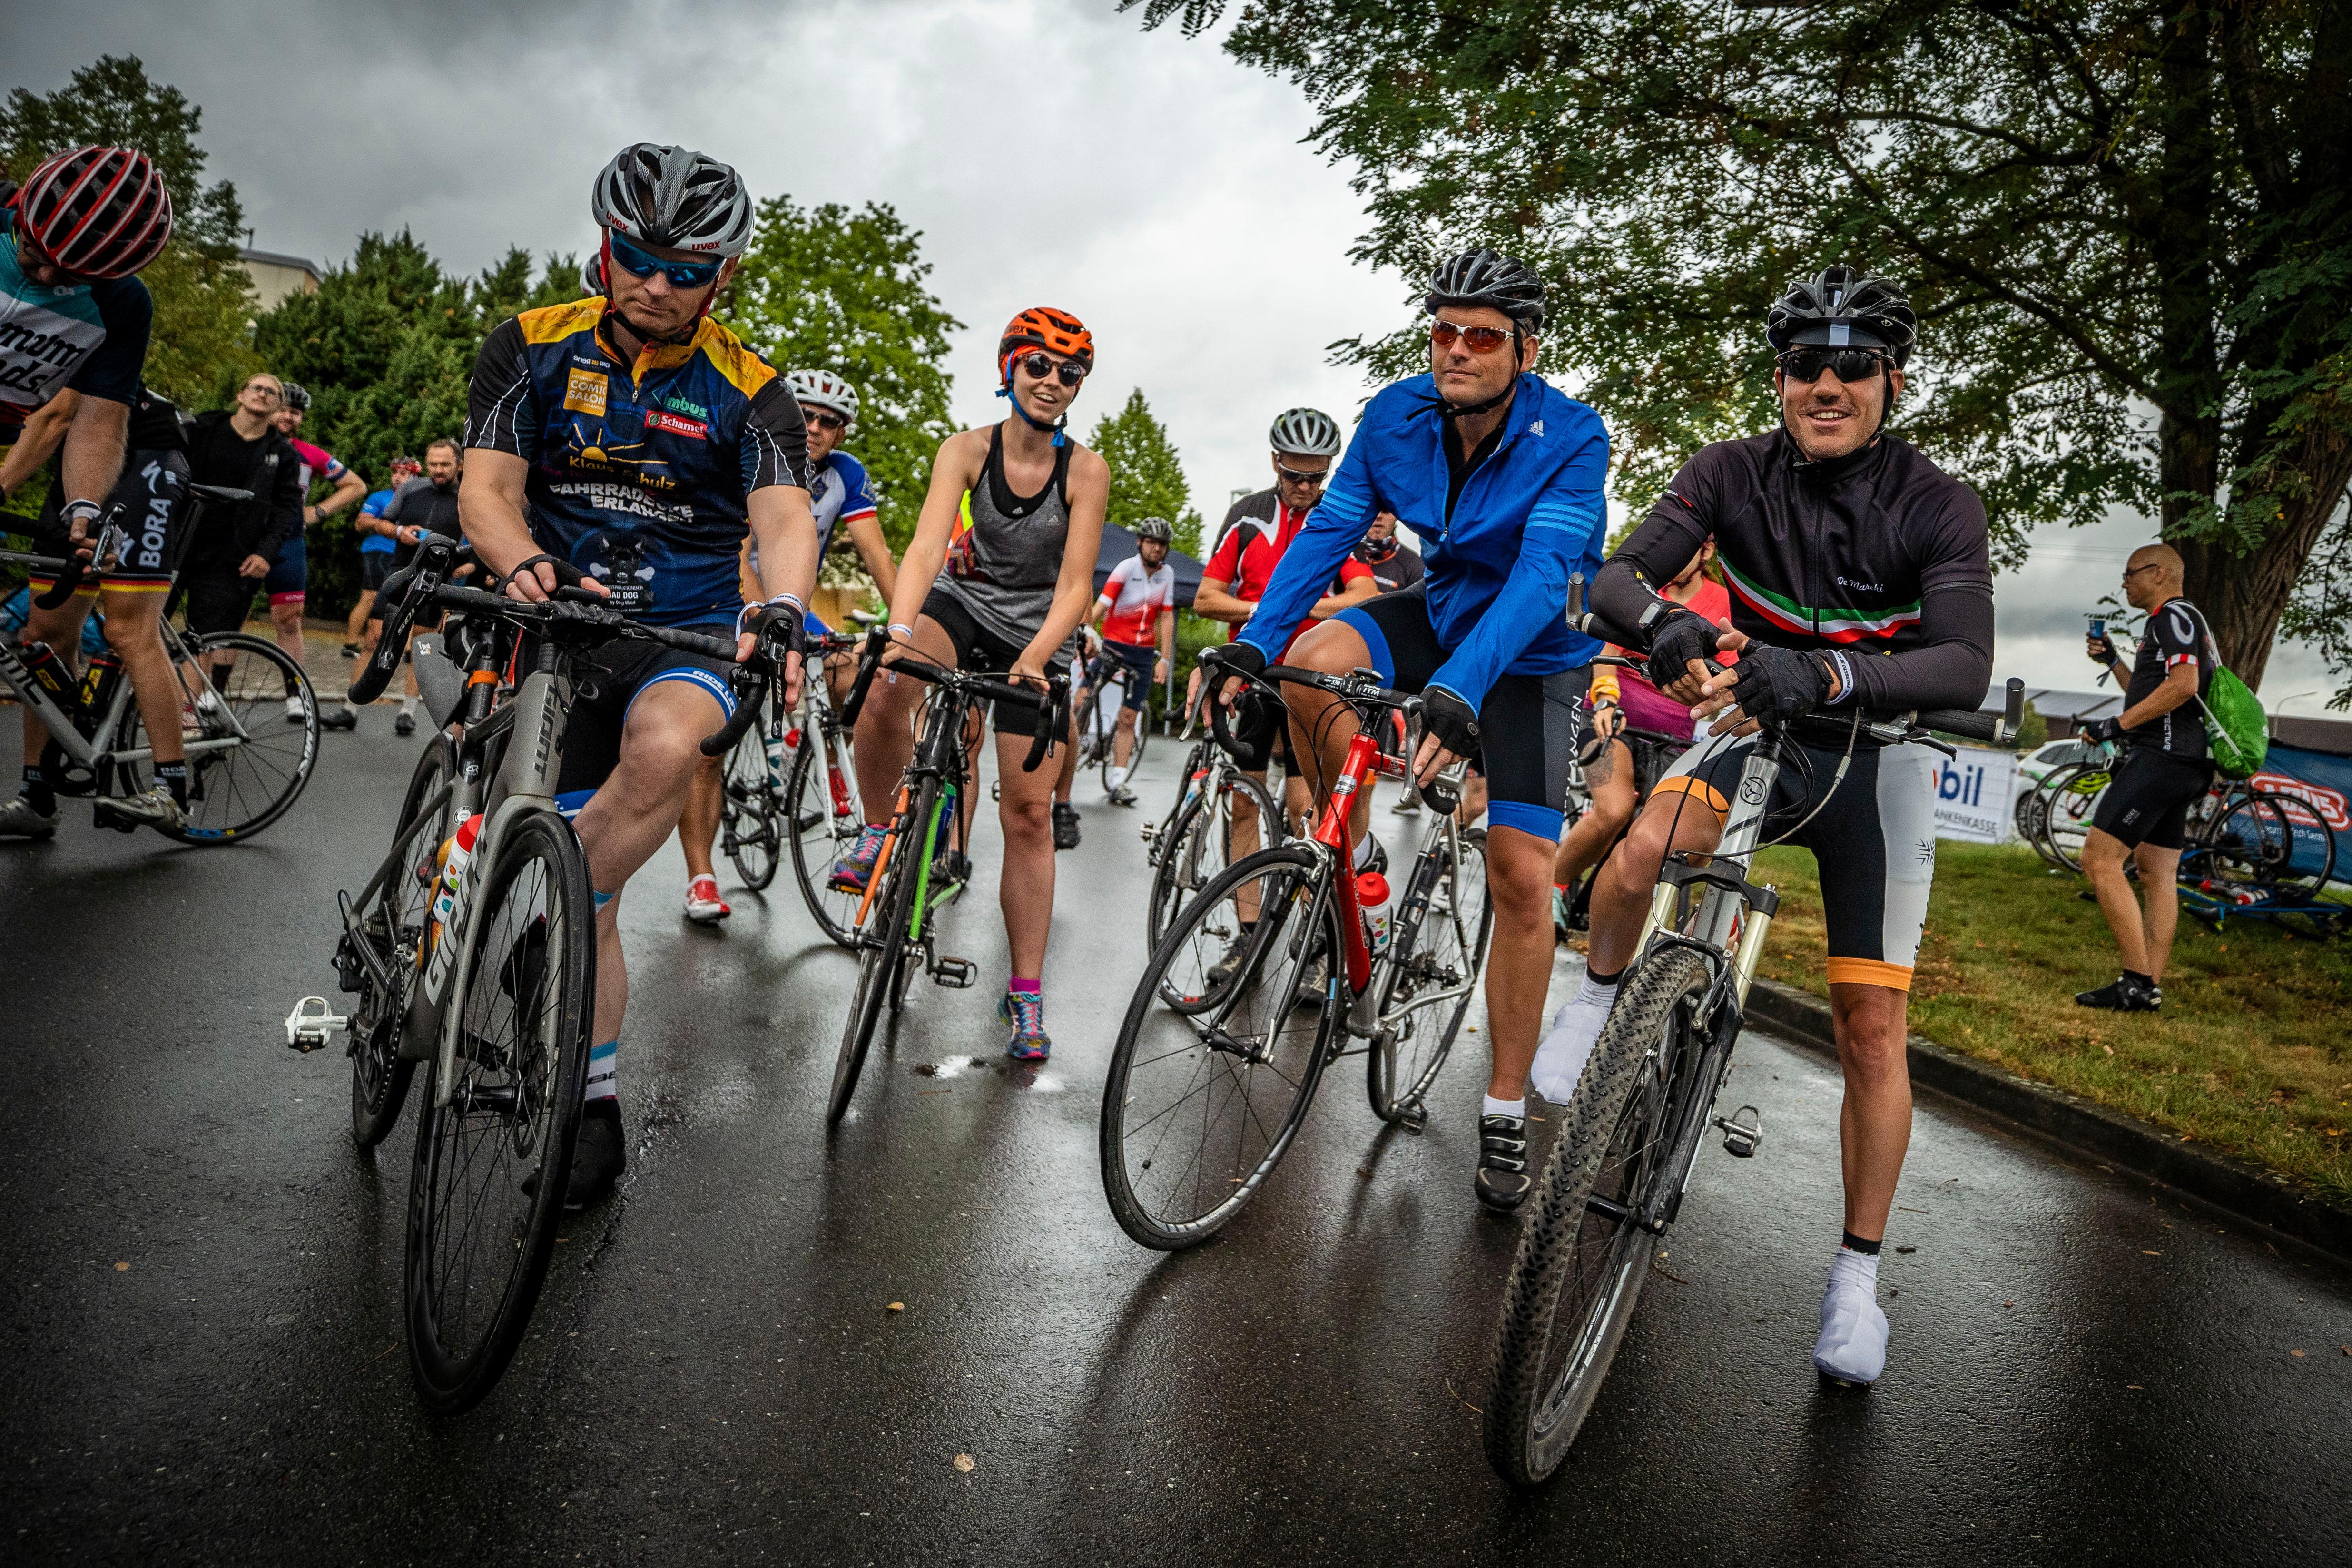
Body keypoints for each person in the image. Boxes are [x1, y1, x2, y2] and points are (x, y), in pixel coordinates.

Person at [1570, 265, 1994, 1388]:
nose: (1828, 384)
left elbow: (1961, 661)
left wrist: (1835, 671)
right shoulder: (1726, 473)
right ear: (1780, 380)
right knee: (1644, 850)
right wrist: (1661, 619)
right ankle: (1602, 1000)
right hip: (1757, 728)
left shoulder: (1937, 501)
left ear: (1890, 381)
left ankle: (1856, 1280)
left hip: (1877, 759)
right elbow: (1613, 575)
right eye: (1808, 365)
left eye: (1854, 366)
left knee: (1869, 1030)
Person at [1200, 250, 1608, 1218]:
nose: (1456, 351)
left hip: (1529, 655)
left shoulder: (1573, 437)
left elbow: (1540, 578)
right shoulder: (1393, 416)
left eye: (1481, 337)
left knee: (1518, 876)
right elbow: (1327, 534)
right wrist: (1253, 646)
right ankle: (1351, 854)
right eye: (1442, 333)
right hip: (1441, 608)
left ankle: (1502, 1104)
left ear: (1524, 348)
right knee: (1315, 652)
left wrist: (1457, 695)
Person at [461, 141, 819, 1205]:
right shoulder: (526, 344)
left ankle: (560, 998)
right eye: (638, 259)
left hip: (684, 633)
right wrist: (520, 559)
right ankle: (591, 1082)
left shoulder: (753, 392)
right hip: (559, 620)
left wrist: (786, 605)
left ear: (726, 277)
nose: (656, 286)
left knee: (659, 763)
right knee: (602, 907)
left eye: (685, 270)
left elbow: (786, 517)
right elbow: (487, 488)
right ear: (604, 249)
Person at [838, 306, 1110, 1061]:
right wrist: (897, 631)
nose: (1053, 382)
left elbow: (1076, 586)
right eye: (1039, 366)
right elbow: (926, 547)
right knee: (888, 685)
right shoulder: (965, 449)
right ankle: (875, 832)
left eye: (1070, 373)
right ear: (1009, 368)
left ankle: (1024, 993)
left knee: (1026, 815)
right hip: (964, 600)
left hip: (1037, 631)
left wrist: (1036, 657)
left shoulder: (1085, 470)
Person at [0, 147, 191, 837]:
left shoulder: (119, 303)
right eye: (35, 250)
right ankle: (38, 794)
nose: (46, 274)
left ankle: (172, 783)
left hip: (141, 453)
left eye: (71, 271)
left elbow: (72, 420)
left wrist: (83, 511)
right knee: (43, 632)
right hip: (67, 442)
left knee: (125, 625)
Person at [675, 367, 896, 924]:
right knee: (711, 738)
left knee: (852, 672)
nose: (816, 427)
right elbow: (742, 553)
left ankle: (823, 770)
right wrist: (760, 614)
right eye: (806, 415)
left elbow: (877, 555)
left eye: (830, 420)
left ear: (841, 432)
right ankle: (700, 876)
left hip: (790, 604)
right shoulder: (753, 454)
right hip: (728, 597)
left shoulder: (846, 474)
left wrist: (904, 627)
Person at [1194, 407, 1376, 851]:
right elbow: (1205, 598)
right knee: (1244, 805)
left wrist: (1300, 607)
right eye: (1296, 475)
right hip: (1252, 673)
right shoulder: (1248, 516)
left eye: (1317, 478)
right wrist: (1267, 611)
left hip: (1304, 678)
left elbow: (1365, 595)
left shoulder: (1335, 518)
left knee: (1304, 809)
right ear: (1277, 461)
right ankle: (1251, 923)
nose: (1306, 488)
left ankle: (1296, 914)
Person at [1550, 538, 1733, 927]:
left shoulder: (1721, 603)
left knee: (1663, 837)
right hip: (1614, 722)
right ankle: (1551, 886)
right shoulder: (1644, 595)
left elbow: (1728, 679)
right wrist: (1605, 701)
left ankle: (1626, 921)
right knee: (1613, 809)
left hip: (1678, 739)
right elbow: (1607, 657)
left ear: (1705, 554)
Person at [2074, 545, 2216, 1013]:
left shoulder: (2171, 616)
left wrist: (2115, 726)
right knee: (2157, 872)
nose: (2123, 583)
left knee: (2098, 859)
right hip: (2184, 761)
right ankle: (2148, 986)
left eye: (2129, 573)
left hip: (2162, 759)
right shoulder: (2178, 621)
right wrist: (2113, 660)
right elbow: (2153, 689)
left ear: (2157, 573)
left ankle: (2134, 981)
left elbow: (2183, 686)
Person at [175, 376, 308, 694]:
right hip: (177, 545)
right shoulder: (202, 429)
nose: (263, 394)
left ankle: (187, 715)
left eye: (272, 392)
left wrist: (265, 552)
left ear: (278, 406)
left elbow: (284, 509)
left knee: (204, 640)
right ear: (240, 395)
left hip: (231, 558)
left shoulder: (282, 454)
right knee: (136, 627)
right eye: (257, 388)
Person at [328, 440, 461, 733]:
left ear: (459, 466)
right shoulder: (411, 489)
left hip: (437, 581)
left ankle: (408, 712)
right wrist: (401, 532)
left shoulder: (466, 497)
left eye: (445, 465)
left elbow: (473, 543)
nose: (438, 471)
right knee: (374, 639)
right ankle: (350, 708)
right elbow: (381, 524)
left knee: (422, 648)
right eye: (433, 464)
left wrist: (466, 564)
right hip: (400, 573)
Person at [265, 382, 366, 720]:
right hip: (245, 538)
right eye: (282, 409)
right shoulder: (247, 444)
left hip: (289, 539)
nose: (287, 416)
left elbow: (356, 485)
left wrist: (318, 511)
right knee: (227, 616)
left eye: (294, 412)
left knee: (290, 620)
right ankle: (210, 693)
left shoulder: (309, 452)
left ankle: (294, 696)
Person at [1084, 515, 1176, 805]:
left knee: (1128, 718)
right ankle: (1075, 744)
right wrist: (1087, 628)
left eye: (1161, 544)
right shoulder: (1127, 567)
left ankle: (1118, 781)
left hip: (1144, 655)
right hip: (1114, 647)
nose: (1156, 549)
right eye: (1150, 542)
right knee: (1082, 697)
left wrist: (1165, 660)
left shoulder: (1168, 575)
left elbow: (1167, 616)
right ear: (1140, 543)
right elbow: (1104, 602)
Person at [341, 452, 421, 652]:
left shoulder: (419, 498)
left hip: (406, 556)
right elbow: (360, 523)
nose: (397, 477)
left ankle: (407, 647)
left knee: (409, 598)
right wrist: (386, 526)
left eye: (403, 473)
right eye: (395, 473)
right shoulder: (380, 497)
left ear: (415, 477)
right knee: (370, 596)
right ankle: (351, 643)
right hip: (379, 551)